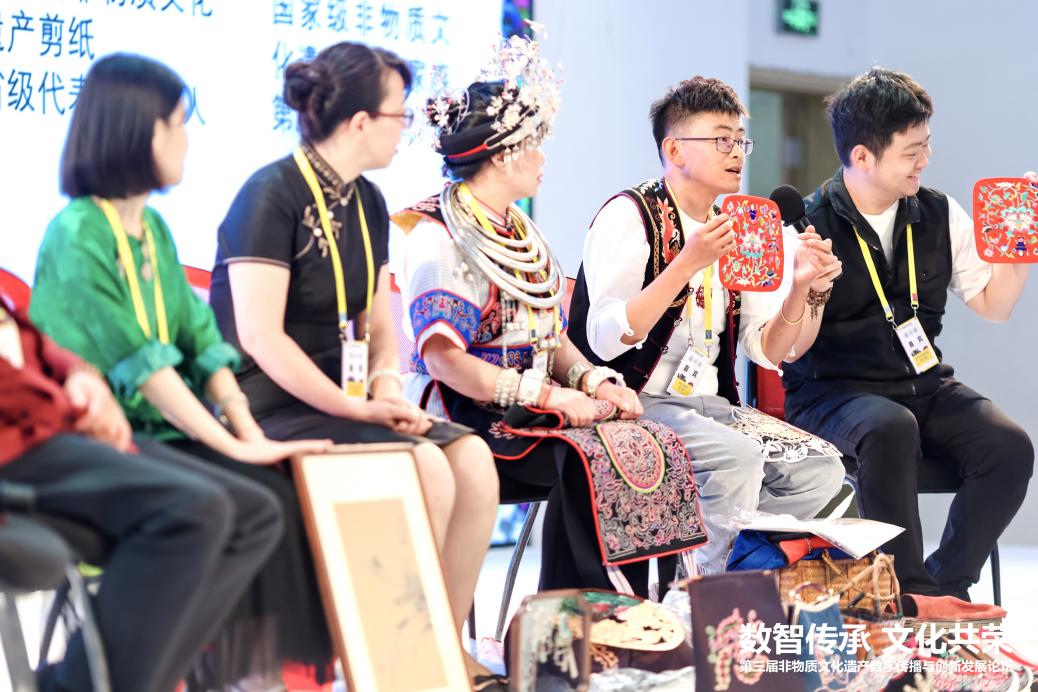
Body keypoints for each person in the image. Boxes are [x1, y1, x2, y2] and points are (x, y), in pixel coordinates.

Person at [28, 53, 331, 688]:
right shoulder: (77, 232)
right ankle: (94, 677)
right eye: (177, 123)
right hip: (101, 434)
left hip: (157, 431)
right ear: (139, 130)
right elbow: (144, 367)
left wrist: (247, 432)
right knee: (225, 504)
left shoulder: (154, 230)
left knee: (271, 501)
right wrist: (234, 444)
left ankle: (220, 670)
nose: (188, 139)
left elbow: (199, 341)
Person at [207, 41, 500, 682]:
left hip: (349, 399)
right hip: (269, 402)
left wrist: (387, 386)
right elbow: (261, 338)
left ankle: (440, 653)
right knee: (425, 465)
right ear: (361, 122)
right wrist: (355, 406)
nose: (407, 127)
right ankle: (387, 662)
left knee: (473, 461)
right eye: (400, 114)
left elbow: (379, 325)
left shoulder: (367, 200)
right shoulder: (269, 195)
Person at [395, 34, 710, 600]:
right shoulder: (439, 235)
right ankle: (574, 617)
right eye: (535, 144)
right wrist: (546, 395)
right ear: (503, 152)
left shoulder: (520, 229)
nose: (543, 157)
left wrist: (594, 381)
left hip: (529, 406)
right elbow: (444, 360)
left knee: (647, 442)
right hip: (465, 412)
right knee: (588, 457)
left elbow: (551, 334)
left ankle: (641, 612)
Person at [568, 76, 846, 574]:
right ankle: (702, 595)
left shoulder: (746, 226)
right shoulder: (630, 215)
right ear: (674, 149)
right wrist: (686, 264)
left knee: (819, 468)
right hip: (634, 401)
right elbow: (604, 339)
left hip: (714, 408)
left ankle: (728, 571)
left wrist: (803, 287)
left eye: (740, 140)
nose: (736, 151)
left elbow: (767, 349)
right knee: (736, 459)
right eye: (721, 139)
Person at [776, 68, 1034, 598]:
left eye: (927, 145)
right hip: (833, 394)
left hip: (921, 385)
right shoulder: (807, 227)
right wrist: (809, 287)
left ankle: (945, 587)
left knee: (1008, 447)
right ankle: (905, 593)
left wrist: (1021, 247)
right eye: (912, 150)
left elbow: (995, 305)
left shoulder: (939, 212)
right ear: (863, 156)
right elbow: (790, 348)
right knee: (892, 428)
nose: (925, 159)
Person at [0, 303, 282, 692]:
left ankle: (114, 682)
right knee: (193, 511)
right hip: (18, 445)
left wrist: (80, 375)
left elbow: (29, 338)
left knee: (255, 513)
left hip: (62, 424)